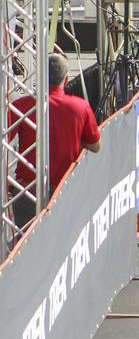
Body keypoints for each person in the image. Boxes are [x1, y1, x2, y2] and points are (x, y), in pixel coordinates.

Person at [7, 54, 101, 231]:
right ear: (66, 80)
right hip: (66, 189)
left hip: (28, 189)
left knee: (26, 246)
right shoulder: (80, 107)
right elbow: (95, 145)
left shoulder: (22, 106)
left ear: (40, 76)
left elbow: (5, 138)